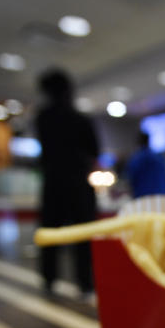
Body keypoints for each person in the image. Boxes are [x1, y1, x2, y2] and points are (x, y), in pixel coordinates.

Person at [35, 68, 99, 296]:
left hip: (52, 184)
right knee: (83, 237)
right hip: (78, 185)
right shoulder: (80, 119)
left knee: (50, 235)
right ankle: (85, 283)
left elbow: (43, 153)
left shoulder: (43, 118)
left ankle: (48, 280)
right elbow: (95, 150)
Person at [126, 132, 165, 198]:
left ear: (138, 142)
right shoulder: (159, 157)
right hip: (162, 193)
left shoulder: (136, 159)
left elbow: (130, 177)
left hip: (144, 196)